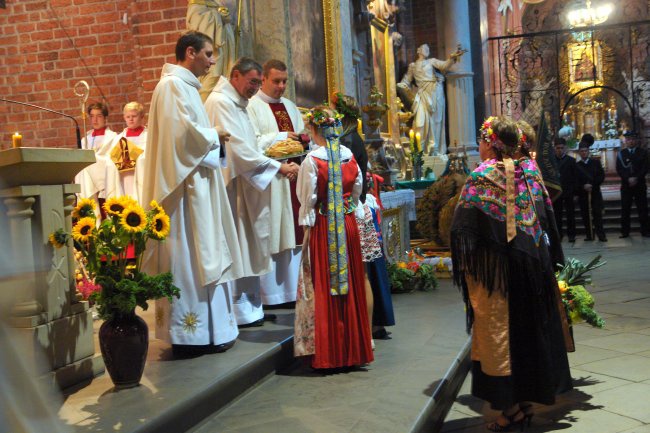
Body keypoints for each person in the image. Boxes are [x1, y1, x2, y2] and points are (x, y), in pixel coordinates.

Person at [450, 115, 572, 431]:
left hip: (499, 277)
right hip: (532, 269)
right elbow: (545, 218)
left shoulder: (481, 177)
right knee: (527, 337)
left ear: (492, 143)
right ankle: (523, 406)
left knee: (503, 342)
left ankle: (511, 410)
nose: (479, 146)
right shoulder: (528, 172)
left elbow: (462, 228)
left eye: (481, 140)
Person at [141, 31, 244, 357]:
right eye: (209, 54)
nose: (213, 61)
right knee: (189, 257)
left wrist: (212, 140)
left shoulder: (185, 86)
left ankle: (211, 331)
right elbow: (181, 138)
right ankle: (190, 336)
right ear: (190, 52)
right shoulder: (171, 86)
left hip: (199, 185)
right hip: (184, 194)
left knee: (206, 255)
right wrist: (213, 135)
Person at [204, 57, 299, 327]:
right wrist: (278, 168)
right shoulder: (222, 102)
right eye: (253, 82)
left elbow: (250, 146)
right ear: (235, 76)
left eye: (258, 83)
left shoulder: (238, 102)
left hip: (246, 184)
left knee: (249, 244)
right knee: (240, 246)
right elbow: (238, 150)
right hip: (233, 187)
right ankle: (240, 308)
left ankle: (252, 306)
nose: (255, 88)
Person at [295, 105, 374, 369]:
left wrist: (307, 229)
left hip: (325, 225)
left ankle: (331, 354)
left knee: (324, 285)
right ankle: (353, 351)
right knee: (350, 283)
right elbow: (357, 191)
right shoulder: (348, 155)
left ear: (315, 129)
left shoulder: (313, 160)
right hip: (348, 223)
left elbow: (308, 200)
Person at [246, 59, 308, 308]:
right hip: (272, 179)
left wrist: (302, 141)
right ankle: (272, 295)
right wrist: (281, 136)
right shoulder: (251, 107)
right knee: (275, 231)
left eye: (284, 81)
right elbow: (252, 142)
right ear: (263, 79)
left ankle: (294, 291)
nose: (281, 86)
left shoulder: (291, 106)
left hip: (295, 177)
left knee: (295, 233)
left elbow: (303, 135)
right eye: (276, 81)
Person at [334, 93, 395, 340]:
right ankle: (374, 323)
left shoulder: (347, 140)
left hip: (354, 209)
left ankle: (369, 326)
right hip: (360, 205)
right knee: (368, 270)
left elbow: (351, 179)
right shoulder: (352, 136)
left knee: (363, 272)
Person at [397, 43, 464, 155]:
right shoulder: (413, 66)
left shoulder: (432, 61)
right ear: (418, 50)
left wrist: (452, 57)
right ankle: (421, 150)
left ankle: (434, 148)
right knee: (420, 122)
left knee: (435, 121)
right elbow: (406, 81)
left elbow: (444, 65)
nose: (427, 50)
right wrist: (398, 87)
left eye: (428, 48)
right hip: (422, 94)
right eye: (425, 48)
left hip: (434, 92)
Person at [186, 0, 236, 102]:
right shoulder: (197, 4)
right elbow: (201, 35)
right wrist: (218, 16)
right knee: (211, 80)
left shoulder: (214, 4)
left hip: (223, 51)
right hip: (211, 54)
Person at [104, 101, 148, 201]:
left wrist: (134, 159)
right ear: (124, 118)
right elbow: (109, 160)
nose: (131, 119)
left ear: (142, 116)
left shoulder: (149, 136)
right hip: (123, 179)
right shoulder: (118, 138)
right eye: (128, 117)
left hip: (140, 177)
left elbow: (151, 157)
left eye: (134, 116)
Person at [75, 102, 117, 200]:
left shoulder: (113, 137)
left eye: (99, 116)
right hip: (88, 176)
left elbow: (112, 160)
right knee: (83, 169)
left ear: (105, 118)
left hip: (106, 175)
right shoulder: (85, 139)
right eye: (92, 116)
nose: (95, 120)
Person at [616, 131, 650, 238]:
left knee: (642, 209)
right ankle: (625, 232)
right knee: (625, 209)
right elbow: (619, 169)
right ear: (625, 141)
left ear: (636, 140)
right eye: (628, 139)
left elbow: (645, 167)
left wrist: (636, 178)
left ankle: (645, 231)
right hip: (626, 186)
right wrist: (628, 179)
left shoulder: (643, 152)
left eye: (633, 139)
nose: (631, 141)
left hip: (639, 184)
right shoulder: (622, 153)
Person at [576, 134, 607, 241]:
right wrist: (583, 186)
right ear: (579, 152)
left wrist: (592, 185)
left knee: (597, 214)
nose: (584, 153)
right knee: (585, 215)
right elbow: (575, 180)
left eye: (585, 150)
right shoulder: (577, 166)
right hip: (583, 194)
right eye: (582, 151)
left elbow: (601, 176)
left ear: (588, 151)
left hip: (595, 193)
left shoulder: (596, 163)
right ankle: (589, 235)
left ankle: (601, 235)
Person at [553, 138, 578, 242]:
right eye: (558, 148)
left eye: (562, 148)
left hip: (568, 191)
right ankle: (558, 234)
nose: (560, 150)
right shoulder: (551, 161)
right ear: (554, 149)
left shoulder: (571, 161)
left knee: (570, 214)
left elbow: (575, 178)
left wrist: (576, 193)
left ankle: (571, 235)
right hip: (556, 192)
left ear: (565, 148)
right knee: (557, 215)